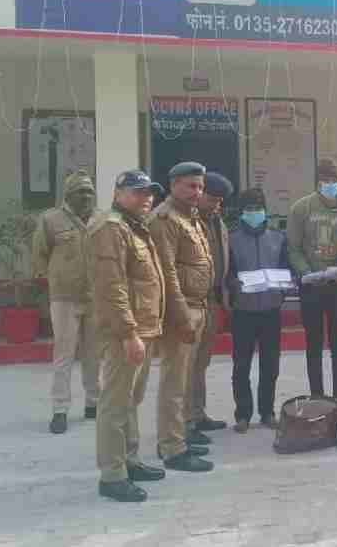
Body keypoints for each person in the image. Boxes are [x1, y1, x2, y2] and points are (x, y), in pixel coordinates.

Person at [90, 170, 166, 503]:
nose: (145, 198)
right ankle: (112, 475)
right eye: (137, 192)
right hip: (125, 332)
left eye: (149, 193)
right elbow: (112, 286)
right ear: (118, 194)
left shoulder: (134, 226)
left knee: (131, 400)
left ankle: (129, 460)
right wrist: (128, 333)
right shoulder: (110, 228)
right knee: (115, 403)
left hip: (142, 328)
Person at [148, 161, 214, 473]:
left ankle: (179, 435)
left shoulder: (191, 217)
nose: (196, 192)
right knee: (174, 382)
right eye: (190, 186)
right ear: (173, 185)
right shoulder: (165, 219)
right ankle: (171, 448)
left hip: (198, 305)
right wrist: (180, 314)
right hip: (182, 309)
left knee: (185, 379)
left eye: (200, 187)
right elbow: (167, 272)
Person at [32, 170, 102, 435]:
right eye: (81, 192)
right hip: (64, 299)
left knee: (93, 355)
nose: (86, 196)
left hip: (95, 297)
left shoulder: (102, 219)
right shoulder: (50, 219)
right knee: (64, 355)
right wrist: (49, 282)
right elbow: (39, 255)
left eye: (89, 191)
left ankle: (93, 403)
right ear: (68, 195)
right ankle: (60, 409)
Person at [287, 159, 337, 404]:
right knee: (314, 344)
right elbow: (293, 248)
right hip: (311, 286)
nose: (330, 184)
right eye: (325, 180)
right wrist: (306, 273)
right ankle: (317, 397)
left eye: (334, 180)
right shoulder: (302, 208)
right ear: (318, 182)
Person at [227, 188, 288, 433]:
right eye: (250, 209)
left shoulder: (278, 237)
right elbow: (227, 272)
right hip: (243, 310)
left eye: (258, 208)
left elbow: (285, 267)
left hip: (271, 309)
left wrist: (283, 288)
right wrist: (234, 283)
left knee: (270, 364)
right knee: (241, 365)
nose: (255, 213)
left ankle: (267, 412)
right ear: (242, 212)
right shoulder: (231, 239)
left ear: (265, 211)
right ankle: (243, 414)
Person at [189, 172, 233, 438]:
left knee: (201, 363)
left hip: (212, 300)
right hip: (190, 301)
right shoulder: (187, 222)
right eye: (212, 199)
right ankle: (184, 422)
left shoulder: (217, 221)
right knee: (186, 364)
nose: (217, 205)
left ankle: (198, 413)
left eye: (220, 201)